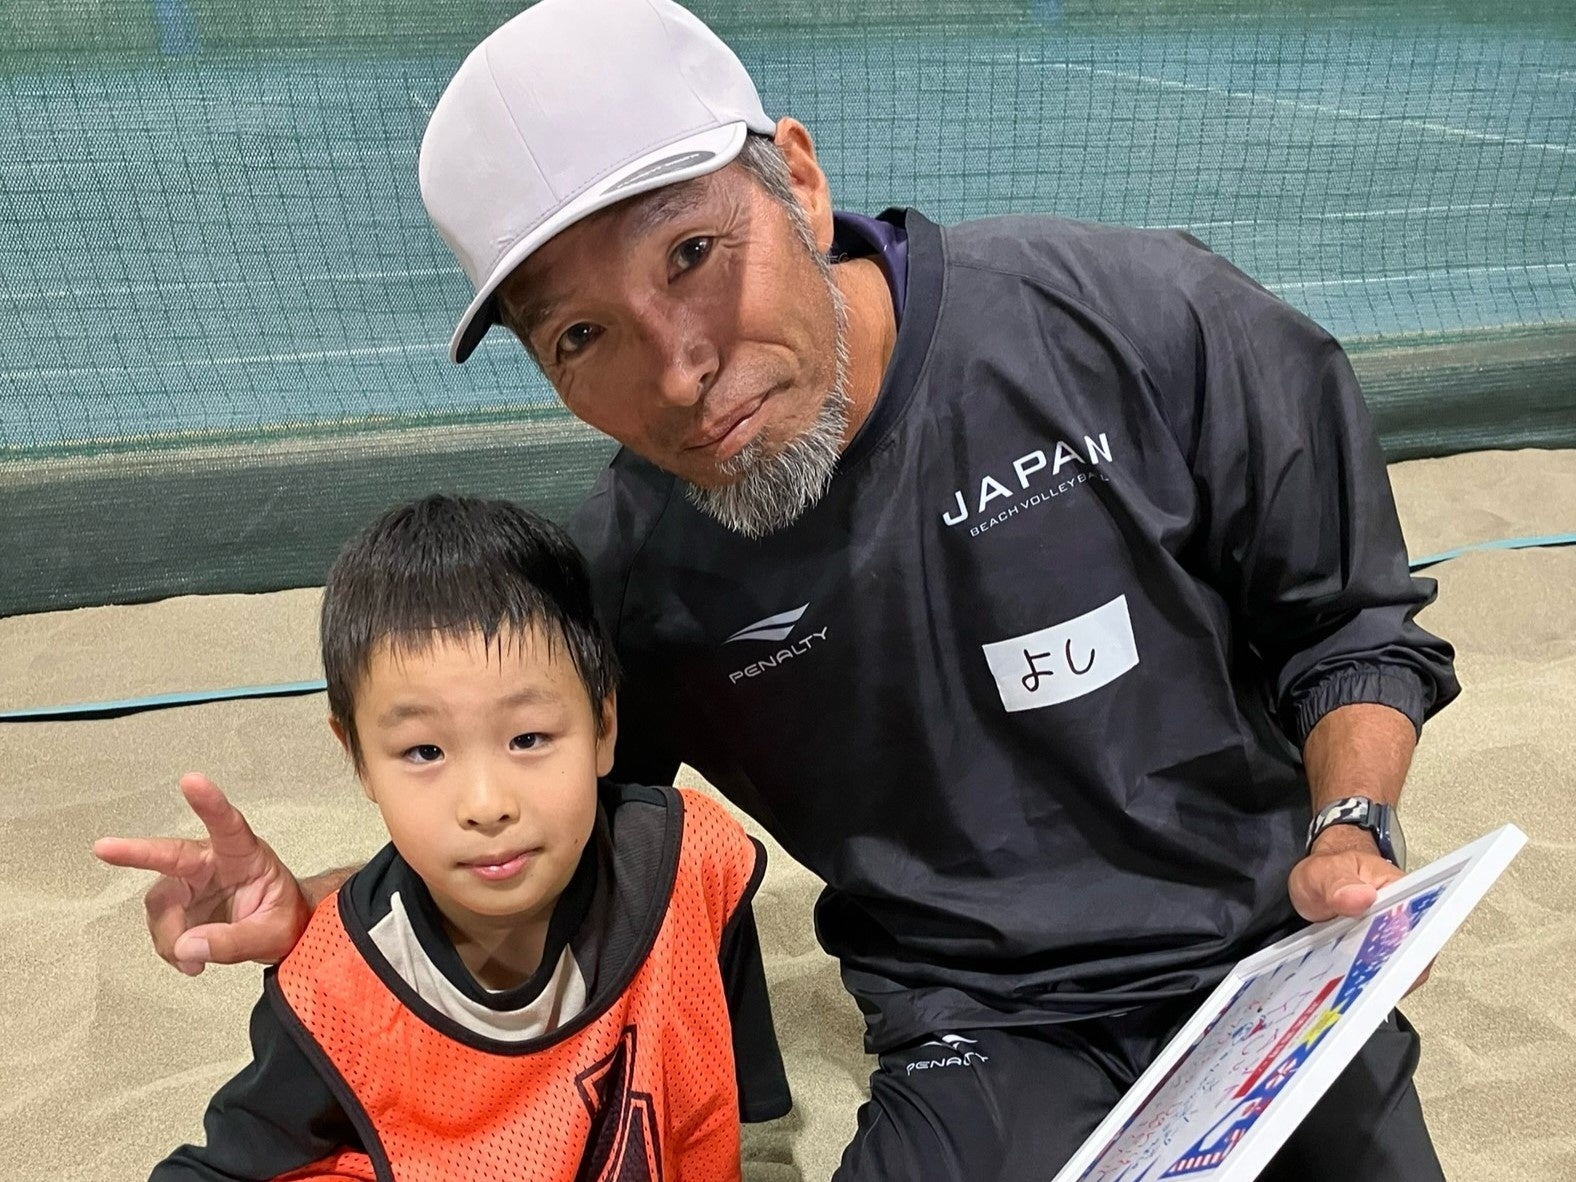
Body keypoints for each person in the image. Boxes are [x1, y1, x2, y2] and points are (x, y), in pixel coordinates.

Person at [97, 1, 1461, 1177]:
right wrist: (316, 904)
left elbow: (1348, 624)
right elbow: (546, 821)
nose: (677, 369)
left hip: (1265, 950)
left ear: (797, 181)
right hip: (978, 1017)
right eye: (583, 335)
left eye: (692, 254)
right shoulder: (633, 574)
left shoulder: (1143, 320)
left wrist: (1348, 831)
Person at [113, 495, 789, 1180]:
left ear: (603, 726)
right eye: (425, 752)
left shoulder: (691, 860)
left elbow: (724, 1086)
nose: (486, 805)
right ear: (359, 761)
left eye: (529, 738)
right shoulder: (335, 989)